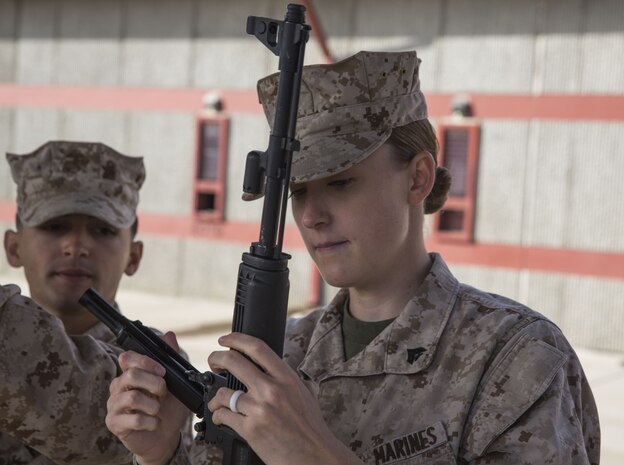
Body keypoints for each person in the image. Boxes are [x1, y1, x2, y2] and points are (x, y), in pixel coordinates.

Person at [105, 51, 600, 465]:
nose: (313, 215)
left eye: (341, 182)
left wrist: (318, 455)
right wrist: (162, 450)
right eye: (298, 192)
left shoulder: (516, 359)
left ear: (418, 178)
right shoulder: (281, 354)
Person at [0, 141, 189, 465]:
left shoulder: (153, 366)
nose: (76, 245)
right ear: (14, 248)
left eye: (102, 230)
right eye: (54, 227)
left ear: (134, 256)